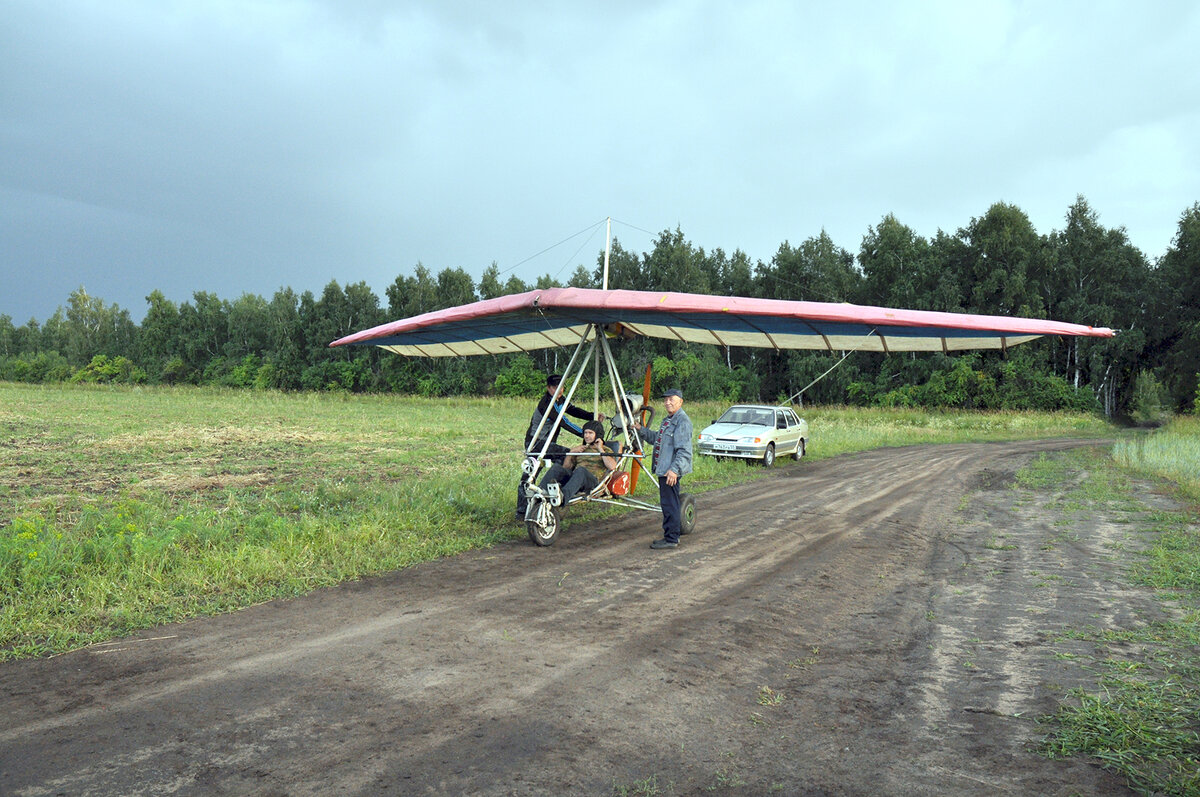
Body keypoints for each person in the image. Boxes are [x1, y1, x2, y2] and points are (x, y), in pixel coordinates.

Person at [516, 374, 603, 519]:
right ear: (548, 388)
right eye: (556, 387)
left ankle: (553, 497)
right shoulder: (546, 404)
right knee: (531, 475)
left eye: (562, 387)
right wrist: (587, 435)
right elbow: (563, 422)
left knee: (561, 463)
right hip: (537, 443)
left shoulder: (560, 400)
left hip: (548, 443)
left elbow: (573, 410)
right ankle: (522, 511)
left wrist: (592, 416)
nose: (560, 390)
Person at [634, 388, 693, 549]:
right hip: (664, 469)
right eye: (665, 400)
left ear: (680, 401)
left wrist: (674, 470)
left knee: (669, 504)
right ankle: (671, 536)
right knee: (668, 503)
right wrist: (640, 429)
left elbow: (684, 450)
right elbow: (657, 440)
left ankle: (671, 539)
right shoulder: (668, 420)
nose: (667, 402)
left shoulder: (682, 421)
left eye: (671, 399)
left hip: (669, 471)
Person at [538, 420, 617, 505]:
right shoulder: (580, 449)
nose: (586, 436)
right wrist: (571, 453)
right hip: (576, 479)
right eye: (585, 433)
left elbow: (612, 466)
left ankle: (563, 496)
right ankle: (540, 492)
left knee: (581, 471)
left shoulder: (606, 450)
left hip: (592, 482)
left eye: (590, 433)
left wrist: (600, 449)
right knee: (557, 468)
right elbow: (566, 468)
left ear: (597, 435)